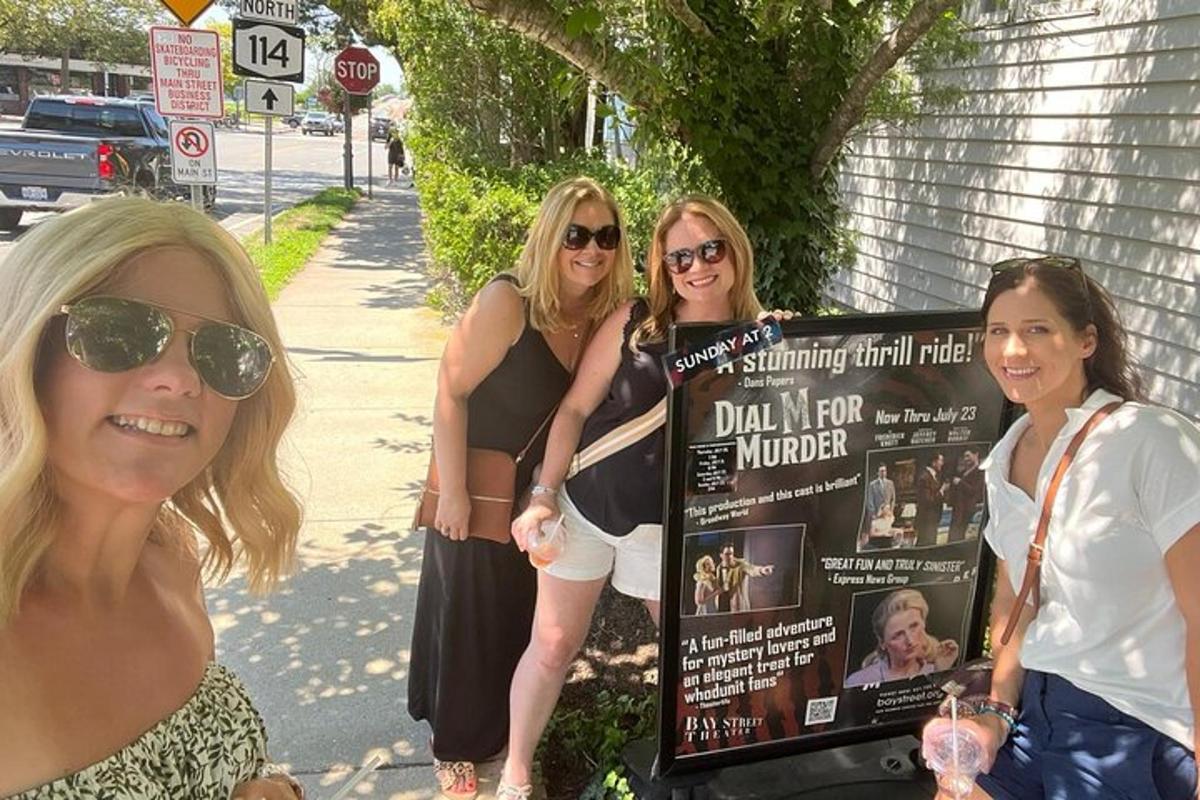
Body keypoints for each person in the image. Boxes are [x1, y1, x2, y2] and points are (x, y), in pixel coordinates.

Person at [0, 196, 303, 798]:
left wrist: (270, 788)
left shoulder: (173, 557)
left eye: (221, 352)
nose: (180, 378)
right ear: (27, 348)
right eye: (119, 331)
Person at [501, 196, 764, 799]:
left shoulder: (759, 341)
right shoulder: (635, 320)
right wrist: (542, 495)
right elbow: (574, 408)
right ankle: (515, 775)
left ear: (734, 250)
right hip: (587, 506)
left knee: (689, 651)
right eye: (679, 258)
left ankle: (701, 770)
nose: (696, 267)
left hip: (667, 525)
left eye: (710, 249)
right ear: (662, 266)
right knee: (554, 644)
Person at [932, 255, 1199, 800]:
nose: (1013, 350)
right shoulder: (1004, 459)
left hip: (1133, 726)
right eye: (998, 331)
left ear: (1085, 341)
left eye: (1037, 330)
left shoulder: (1153, 442)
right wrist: (995, 714)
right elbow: (1018, 603)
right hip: (1039, 713)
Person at [407, 176, 633, 800]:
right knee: (468, 618)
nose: (592, 249)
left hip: (543, 500)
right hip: (478, 490)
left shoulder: (602, 317)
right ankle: (454, 746)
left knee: (519, 620)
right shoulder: (509, 302)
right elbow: (450, 391)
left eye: (606, 237)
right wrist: (451, 489)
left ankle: (506, 734)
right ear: (550, 237)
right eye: (576, 235)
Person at [845, 589, 959, 688]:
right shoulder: (858, 681)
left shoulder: (937, 671)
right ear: (882, 643)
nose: (910, 641)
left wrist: (941, 672)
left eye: (914, 626)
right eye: (898, 635)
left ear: (924, 624)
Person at [713, 542, 775, 613]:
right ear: (721, 555)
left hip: (736, 605)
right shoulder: (719, 568)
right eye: (727, 554)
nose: (730, 556)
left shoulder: (741, 564)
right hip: (722, 605)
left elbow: (752, 569)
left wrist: (762, 570)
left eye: (731, 554)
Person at [945, 448, 984, 542]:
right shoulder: (962, 473)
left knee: (960, 537)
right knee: (952, 537)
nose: (966, 459)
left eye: (968, 456)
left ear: (976, 455)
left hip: (967, 511)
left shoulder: (981, 472)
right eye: (964, 457)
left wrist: (960, 482)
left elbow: (975, 491)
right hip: (957, 511)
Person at [915, 453, 946, 546]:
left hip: (932, 520)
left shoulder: (934, 477)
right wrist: (942, 491)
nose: (942, 463)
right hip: (927, 521)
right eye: (941, 461)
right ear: (934, 462)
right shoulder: (924, 478)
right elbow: (928, 500)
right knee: (925, 546)